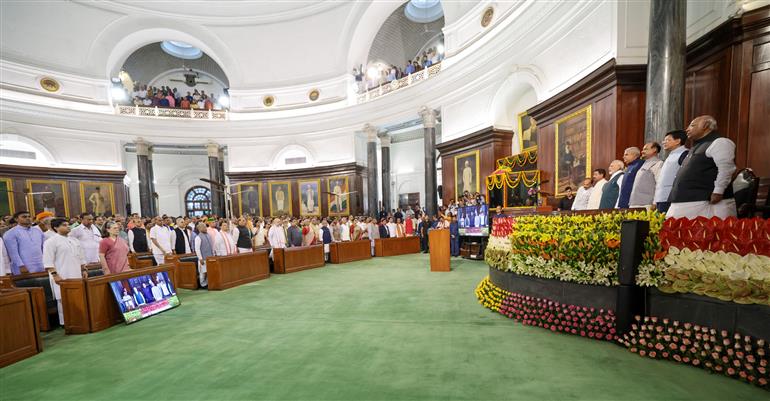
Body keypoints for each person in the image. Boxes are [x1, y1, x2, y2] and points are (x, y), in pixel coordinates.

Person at [667, 115, 737, 219]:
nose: (687, 129)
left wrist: (718, 191)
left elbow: (726, 169)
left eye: (692, 126)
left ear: (705, 125)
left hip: (705, 203)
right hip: (687, 202)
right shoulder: (697, 145)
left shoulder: (719, 142)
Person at [43, 218, 86, 325]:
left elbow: (81, 257)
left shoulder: (75, 240)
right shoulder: (51, 242)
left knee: (78, 296)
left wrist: (84, 270)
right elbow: (48, 261)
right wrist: (55, 275)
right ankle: (66, 323)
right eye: (64, 225)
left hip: (76, 273)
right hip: (61, 274)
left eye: (68, 224)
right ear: (55, 228)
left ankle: (80, 320)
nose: (68, 226)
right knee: (63, 299)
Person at [654, 130, 689, 213]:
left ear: (678, 141)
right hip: (662, 196)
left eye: (668, 140)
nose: (664, 142)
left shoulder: (684, 154)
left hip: (672, 196)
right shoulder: (672, 154)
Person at [629, 142, 664, 208]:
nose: (642, 151)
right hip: (635, 203)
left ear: (654, 150)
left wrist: (655, 202)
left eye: (645, 149)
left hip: (647, 204)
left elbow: (659, 184)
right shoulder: (644, 163)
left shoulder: (658, 163)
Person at [193, 222, 213, 287]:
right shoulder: (198, 237)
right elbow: (197, 249)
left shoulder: (208, 235)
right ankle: (202, 284)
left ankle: (207, 283)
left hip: (210, 257)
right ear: (200, 228)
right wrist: (200, 258)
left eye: (205, 227)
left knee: (209, 271)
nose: (205, 228)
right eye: (204, 227)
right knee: (203, 273)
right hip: (203, 258)